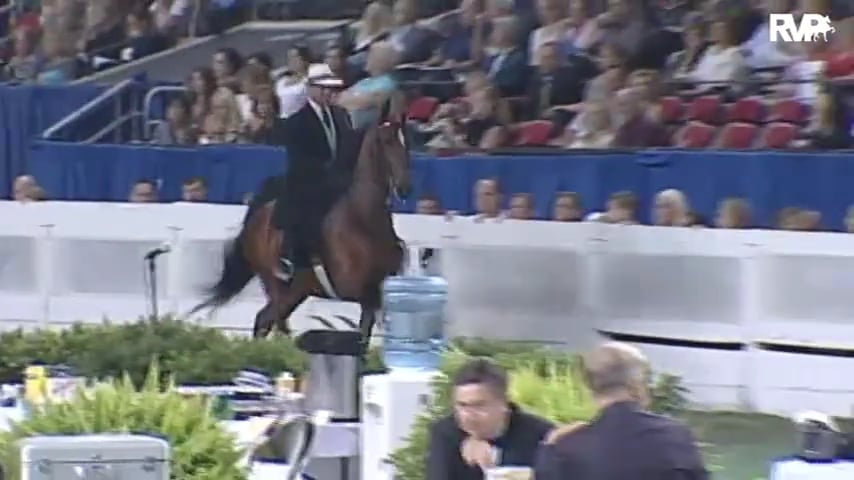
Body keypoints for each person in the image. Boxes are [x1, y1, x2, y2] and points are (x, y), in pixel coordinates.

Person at [534, 341, 708, 480]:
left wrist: (549, 446)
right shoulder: (675, 435)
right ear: (636, 385)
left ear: (589, 388)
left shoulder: (567, 446)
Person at [270, 63, 353, 283]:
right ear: (311, 89)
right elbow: (300, 159)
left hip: (339, 180)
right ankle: (290, 256)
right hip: (309, 181)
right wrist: (327, 172)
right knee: (302, 206)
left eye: (331, 89)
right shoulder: (297, 121)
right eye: (323, 88)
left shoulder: (341, 116)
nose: (329, 93)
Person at [426, 358, 553, 480]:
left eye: (478, 405)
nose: (468, 415)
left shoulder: (541, 435)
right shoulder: (446, 433)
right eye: (462, 405)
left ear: (503, 403)